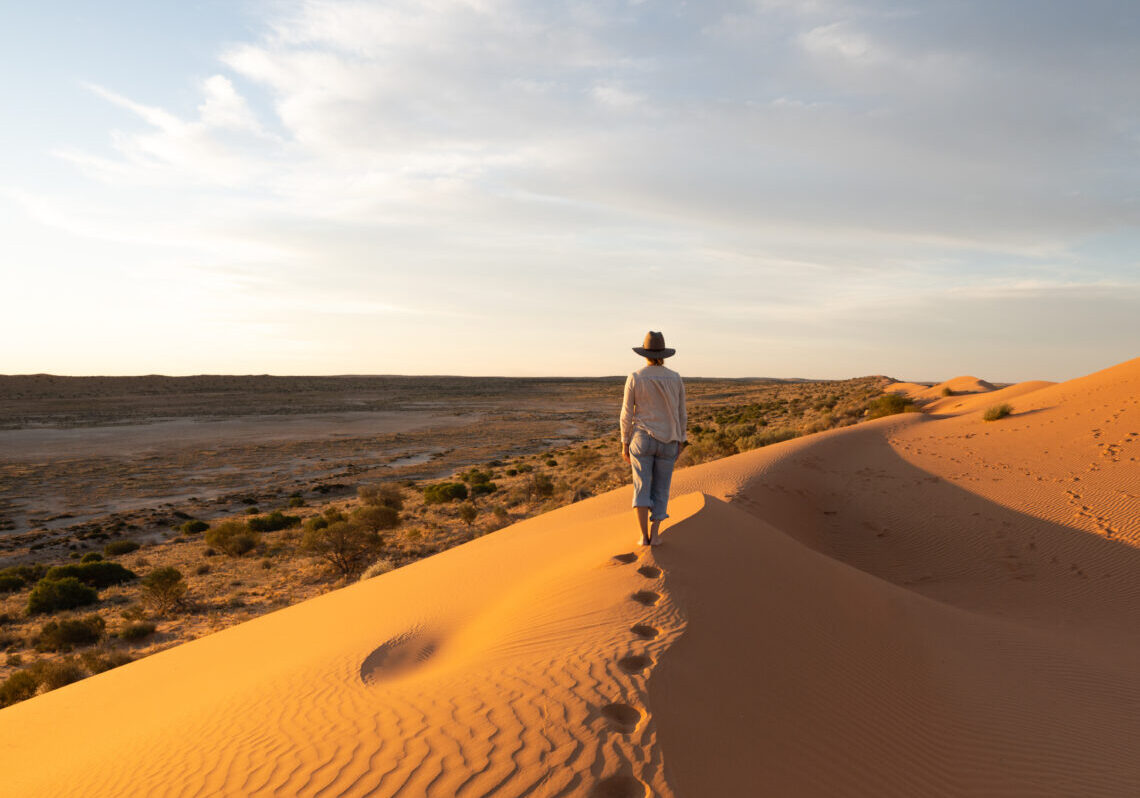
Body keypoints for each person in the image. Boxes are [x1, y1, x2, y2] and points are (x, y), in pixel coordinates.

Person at [620, 331, 687, 546]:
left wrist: (624, 442)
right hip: (669, 441)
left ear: (645, 354)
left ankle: (643, 536)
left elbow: (626, 413)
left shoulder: (636, 377)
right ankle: (656, 535)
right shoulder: (675, 378)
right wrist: (681, 440)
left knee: (641, 486)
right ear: (664, 354)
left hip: (642, 439)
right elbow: (681, 412)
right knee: (661, 489)